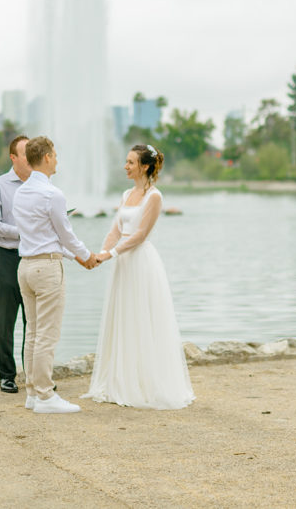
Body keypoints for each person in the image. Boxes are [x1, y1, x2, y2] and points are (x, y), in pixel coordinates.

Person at [83, 144, 194, 410]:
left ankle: (144, 383)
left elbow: (140, 235)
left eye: (131, 162)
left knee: (143, 318)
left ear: (144, 166)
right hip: (123, 263)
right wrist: (100, 253)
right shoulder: (125, 194)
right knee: (123, 317)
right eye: (126, 161)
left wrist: (111, 254)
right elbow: (116, 230)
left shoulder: (154, 197)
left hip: (141, 262)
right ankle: (120, 379)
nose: (126, 166)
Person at [12, 136, 98, 414]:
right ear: (47, 157)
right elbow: (65, 235)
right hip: (47, 268)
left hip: (25, 266)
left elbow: (51, 236)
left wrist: (77, 256)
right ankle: (46, 396)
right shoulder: (52, 194)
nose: (58, 160)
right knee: (47, 335)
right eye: (56, 155)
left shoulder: (21, 192)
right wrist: (85, 256)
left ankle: (32, 394)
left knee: (33, 334)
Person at [0, 135, 31, 394]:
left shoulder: (41, 185)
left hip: (35, 257)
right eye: (26, 153)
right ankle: (6, 375)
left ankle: (34, 373)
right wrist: (23, 232)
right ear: (13, 158)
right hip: (8, 257)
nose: (31, 158)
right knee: (6, 319)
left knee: (34, 320)